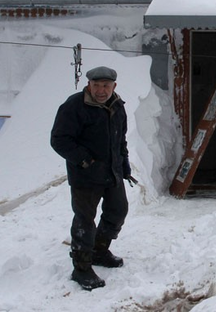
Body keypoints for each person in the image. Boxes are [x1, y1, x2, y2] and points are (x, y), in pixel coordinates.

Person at [50, 66, 134, 291]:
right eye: (96, 85)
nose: (100, 90)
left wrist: (124, 164)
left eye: (106, 85)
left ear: (114, 86)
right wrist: (85, 161)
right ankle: (81, 267)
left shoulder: (117, 106)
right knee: (84, 220)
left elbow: (120, 140)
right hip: (85, 176)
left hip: (112, 172)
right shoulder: (74, 106)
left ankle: (99, 249)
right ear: (88, 85)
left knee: (118, 211)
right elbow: (59, 139)